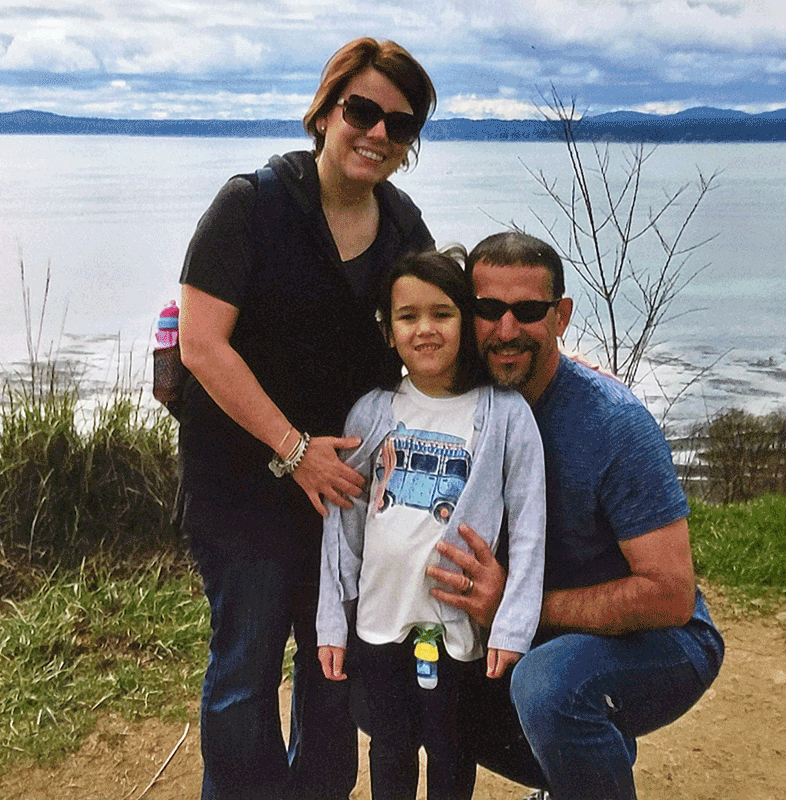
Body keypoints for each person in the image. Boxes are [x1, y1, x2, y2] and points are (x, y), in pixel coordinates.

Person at [175, 38, 437, 800]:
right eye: (362, 110)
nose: (378, 133)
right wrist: (296, 452)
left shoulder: (401, 225)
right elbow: (201, 344)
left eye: (401, 121)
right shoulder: (251, 205)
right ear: (325, 112)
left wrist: (554, 354)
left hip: (346, 499)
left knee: (332, 669)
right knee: (245, 671)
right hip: (244, 486)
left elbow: (437, 324)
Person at [427, 231, 725, 800]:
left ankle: (584, 754)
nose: (506, 329)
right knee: (415, 685)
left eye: (529, 311)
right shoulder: (464, 402)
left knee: (549, 686)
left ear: (560, 316)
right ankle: (576, 768)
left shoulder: (615, 425)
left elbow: (670, 595)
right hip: (553, 635)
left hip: (664, 640)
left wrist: (517, 607)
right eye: (487, 310)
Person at [316, 247, 546, 800]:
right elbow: (341, 528)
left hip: (456, 628)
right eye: (407, 316)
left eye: (441, 314)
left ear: (466, 322)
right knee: (389, 749)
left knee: (451, 751)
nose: (425, 330)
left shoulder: (503, 413)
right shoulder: (371, 410)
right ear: (388, 329)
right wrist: (331, 621)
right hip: (378, 620)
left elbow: (530, 524)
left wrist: (513, 624)